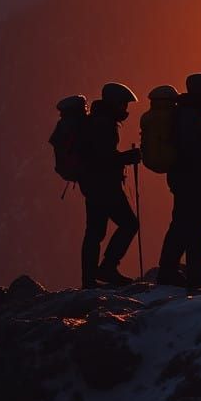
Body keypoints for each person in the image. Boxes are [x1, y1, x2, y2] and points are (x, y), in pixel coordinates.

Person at [157, 73, 201, 289]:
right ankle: (190, 273)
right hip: (191, 180)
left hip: (184, 178)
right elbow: (196, 152)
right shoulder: (190, 116)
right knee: (195, 225)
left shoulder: (186, 113)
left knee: (185, 224)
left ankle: (175, 271)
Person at [80, 82, 141, 288]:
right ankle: (107, 267)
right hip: (105, 185)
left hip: (93, 184)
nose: (125, 109)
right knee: (129, 224)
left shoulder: (97, 121)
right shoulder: (103, 124)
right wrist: (127, 157)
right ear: (114, 103)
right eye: (123, 104)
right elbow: (104, 158)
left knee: (95, 231)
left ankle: (89, 279)